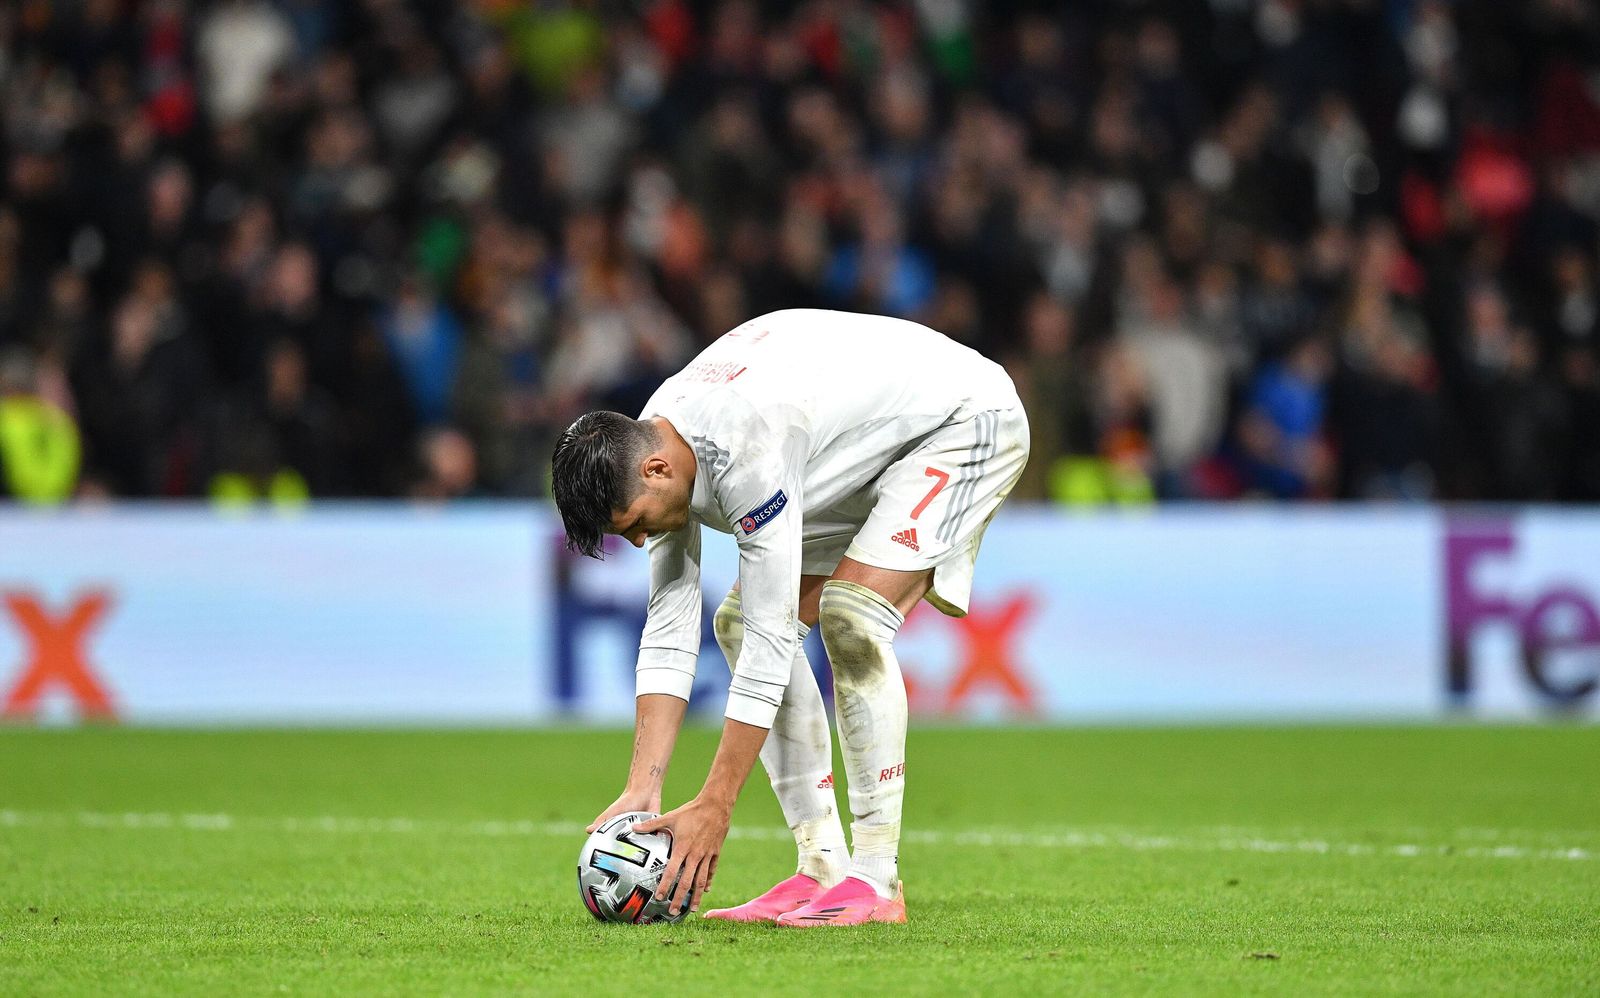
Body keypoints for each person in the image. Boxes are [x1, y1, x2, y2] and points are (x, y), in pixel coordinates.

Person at [551, 309, 1029, 927]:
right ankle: (820, 867)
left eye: (636, 524)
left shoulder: (743, 448)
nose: (641, 542)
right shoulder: (656, 442)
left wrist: (715, 805)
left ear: (656, 470)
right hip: (858, 448)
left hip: (964, 420)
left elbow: (778, 639)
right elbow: (670, 619)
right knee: (740, 624)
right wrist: (644, 786)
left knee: (852, 617)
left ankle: (876, 881)